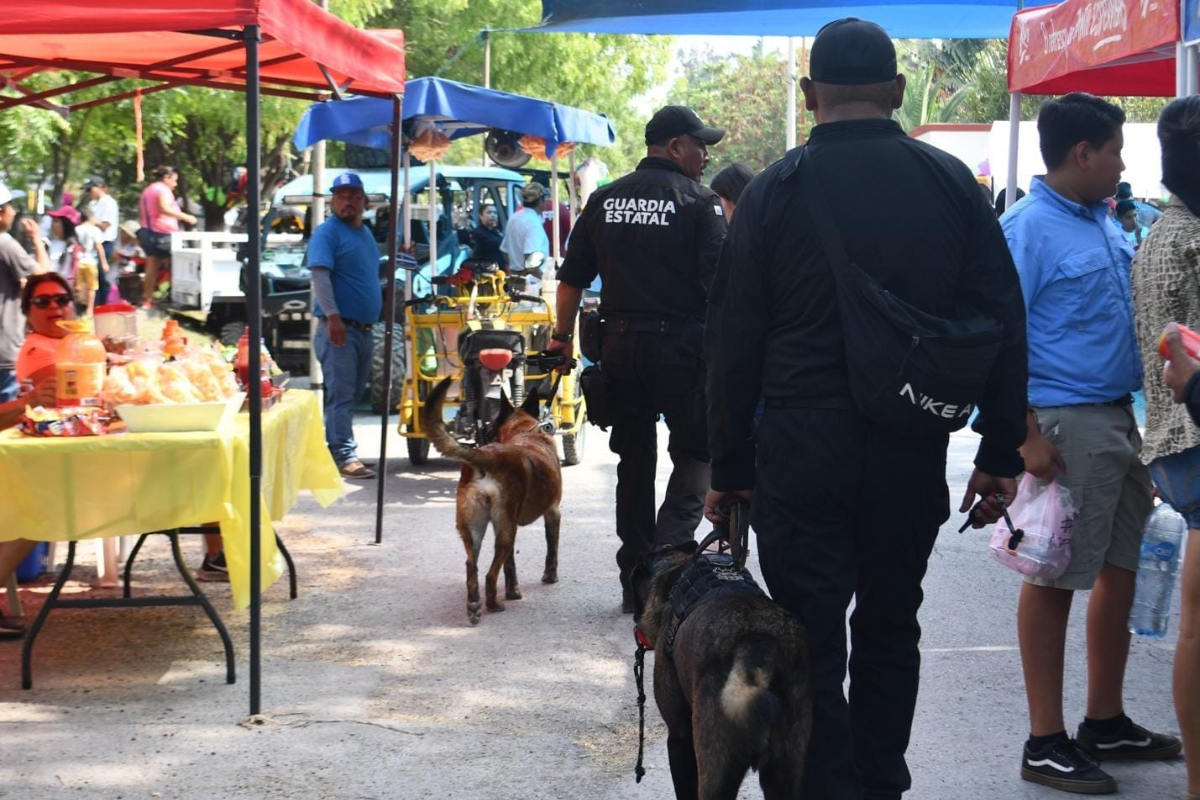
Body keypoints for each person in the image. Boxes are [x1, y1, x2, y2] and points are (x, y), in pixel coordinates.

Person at [705, 19, 1028, 799]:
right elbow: (1004, 320)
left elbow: (732, 345)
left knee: (807, 635)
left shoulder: (772, 192)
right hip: (908, 442)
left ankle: (828, 785)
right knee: (891, 624)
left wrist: (729, 467)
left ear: (810, 95)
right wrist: (998, 452)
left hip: (800, 444)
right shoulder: (953, 184)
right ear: (898, 91)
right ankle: (879, 779)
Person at [1001, 92, 1181, 795]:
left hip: (1114, 421)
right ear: (1084, 153)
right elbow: (997, 337)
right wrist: (1023, 437)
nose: (1122, 162)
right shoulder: (1028, 230)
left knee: (1120, 566)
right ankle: (1044, 740)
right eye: (1115, 150)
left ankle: (1104, 719)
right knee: (1053, 578)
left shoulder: (1104, 222)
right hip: (1063, 425)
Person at [548, 104, 727, 613]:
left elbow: (571, 281)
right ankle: (668, 558)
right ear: (675, 147)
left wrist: (561, 339)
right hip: (684, 353)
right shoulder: (700, 203)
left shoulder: (603, 200)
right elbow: (722, 290)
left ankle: (635, 577)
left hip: (620, 348)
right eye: (700, 144)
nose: (706, 154)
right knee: (697, 455)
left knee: (635, 462)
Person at [1132, 94, 1200, 800]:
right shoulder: (1193, 239)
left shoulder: (1158, 234)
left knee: (1195, 628)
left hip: (1172, 440)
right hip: (1196, 433)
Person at [308, 172, 383, 480]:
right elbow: (320, 276)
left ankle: (343, 450)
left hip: (363, 329)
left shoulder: (364, 233)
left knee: (351, 394)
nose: (348, 201)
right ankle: (343, 455)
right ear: (332, 201)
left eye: (354, 196)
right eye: (341, 196)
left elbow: (366, 273)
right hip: (340, 327)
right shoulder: (328, 233)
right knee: (341, 394)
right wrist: (333, 317)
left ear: (364, 201)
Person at [1, 181, 50, 403]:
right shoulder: (4, 243)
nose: (13, 212)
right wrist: (36, 240)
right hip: (4, 350)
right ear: (1, 213)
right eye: (11, 207)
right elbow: (44, 279)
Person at [138, 165, 197, 309]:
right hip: (162, 233)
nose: (175, 184)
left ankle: (148, 300)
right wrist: (186, 217)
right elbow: (164, 208)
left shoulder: (148, 190)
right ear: (166, 178)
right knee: (178, 264)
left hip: (147, 231)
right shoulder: (162, 189)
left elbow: (141, 212)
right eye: (174, 180)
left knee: (151, 266)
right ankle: (174, 296)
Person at [16, 272, 76, 385]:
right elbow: (75, 388)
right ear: (28, 312)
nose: (53, 305)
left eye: (62, 299)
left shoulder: (80, 341)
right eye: (42, 301)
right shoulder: (36, 351)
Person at [501, 182, 552, 293]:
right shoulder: (532, 223)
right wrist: (541, 283)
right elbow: (531, 259)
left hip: (516, 278)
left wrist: (515, 267)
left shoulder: (514, 218)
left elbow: (504, 250)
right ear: (540, 201)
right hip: (530, 284)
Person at [83, 176, 118, 303]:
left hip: (105, 242)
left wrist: (92, 221)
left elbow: (105, 226)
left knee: (100, 276)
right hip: (92, 243)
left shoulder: (109, 202)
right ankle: (91, 303)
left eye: (90, 189)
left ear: (100, 186)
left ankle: (101, 303)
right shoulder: (92, 204)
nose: (88, 193)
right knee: (91, 274)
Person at [74, 207, 110, 314]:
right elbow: (99, 247)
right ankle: (89, 310)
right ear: (91, 218)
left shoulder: (76, 229)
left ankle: (77, 307)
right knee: (92, 287)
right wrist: (104, 263)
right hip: (91, 262)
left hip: (78, 261)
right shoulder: (95, 230)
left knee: (77, 286)